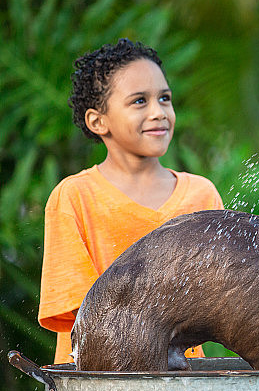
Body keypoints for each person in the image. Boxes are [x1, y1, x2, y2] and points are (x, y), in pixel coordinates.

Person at [38, 39, 223, 365]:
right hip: (98, 388)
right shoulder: (74, 199)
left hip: (188, 390)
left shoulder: (201, 195)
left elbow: (221, 301)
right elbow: (83, 311)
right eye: (139, 101)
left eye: (164, 98)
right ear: (98, 122)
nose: (159, 112)